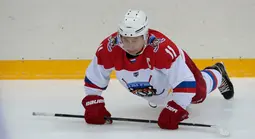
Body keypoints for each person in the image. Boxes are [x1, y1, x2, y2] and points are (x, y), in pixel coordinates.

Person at [82, 9, 234, 130]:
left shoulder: (162, 49)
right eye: (125, 39)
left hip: (176, 72)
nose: (130, 45)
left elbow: (185, 82)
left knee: (197, 95)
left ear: (145, 36)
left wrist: (177, 108)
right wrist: (92, 101)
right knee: (159, 96)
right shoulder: (109, 48)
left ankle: (217, 72)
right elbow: (95, 76)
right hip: (152, 83)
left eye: (135, 39)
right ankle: (160, 98)